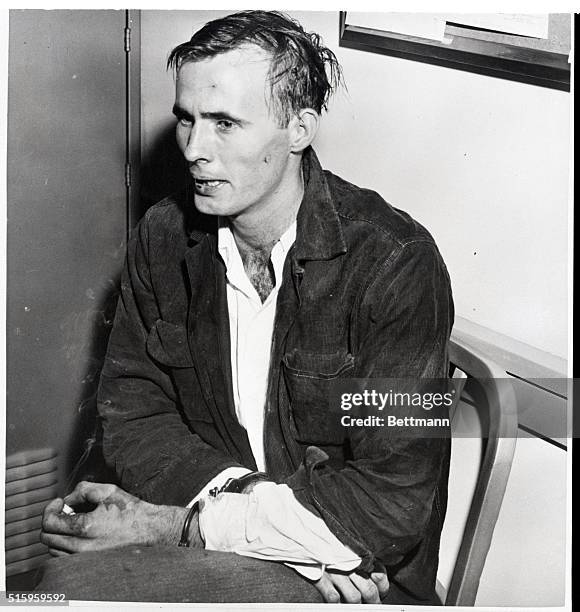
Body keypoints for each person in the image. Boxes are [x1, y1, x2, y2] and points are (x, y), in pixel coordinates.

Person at [37, 10, 454, 605]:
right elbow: (135, 417)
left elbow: (390, 505)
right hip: (300, 544)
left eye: (225, 123)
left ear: (299, 130)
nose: (194, 149)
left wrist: (178, 525)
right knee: (60, 588)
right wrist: (273, 533)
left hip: (362, 576)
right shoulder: (163, 234)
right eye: (187, 120)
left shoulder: (396, 262)